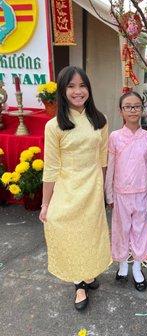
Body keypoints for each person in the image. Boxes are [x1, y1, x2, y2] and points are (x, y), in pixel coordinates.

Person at [39, 66, 112, 311]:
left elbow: (102, 159)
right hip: (67, 189)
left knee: (90, 234)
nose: (77, 91)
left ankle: (89, 272)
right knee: (69, 233)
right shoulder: (54, 126)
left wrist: (101, 190)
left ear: (89, 89)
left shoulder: (99, 120)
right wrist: (46, 203)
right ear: (62, 90)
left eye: (82, 85)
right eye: (71, 86)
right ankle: (79, 283)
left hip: (92, 188)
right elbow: (50, 168)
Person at [105, 91, 147, 291]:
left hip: (142, 193)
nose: (133, 110)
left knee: (140, 231)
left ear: (142, 110)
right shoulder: (115, 137)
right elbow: (110, 167)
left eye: (136, 106)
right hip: (120, 193)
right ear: (121, 111)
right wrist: (109, 194)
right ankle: (122, 265)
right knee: (121, 230)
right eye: (128, 107)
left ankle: (137, 267)